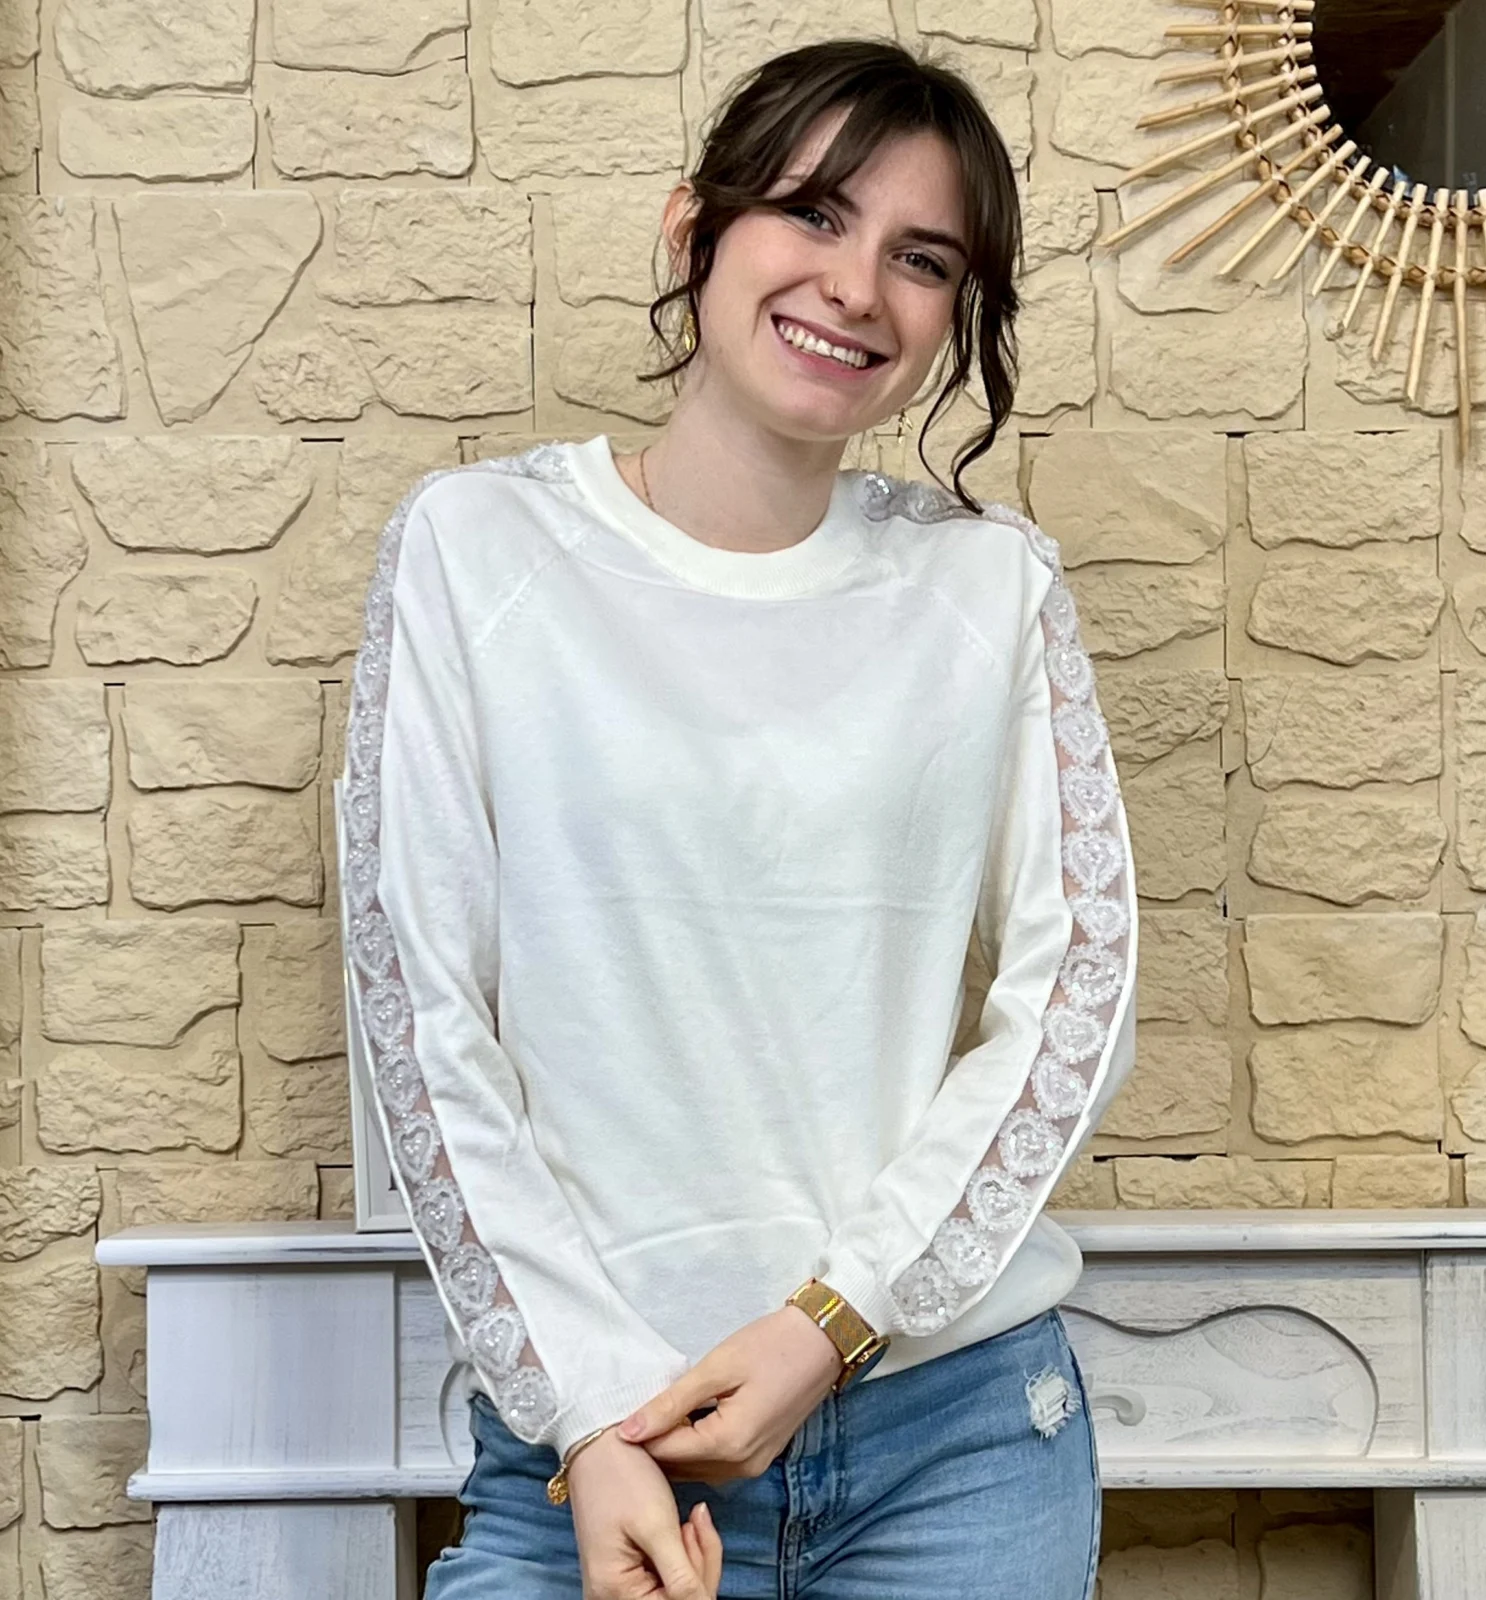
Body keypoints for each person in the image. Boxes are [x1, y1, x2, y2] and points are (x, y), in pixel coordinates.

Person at [338, 37, 1136, 1600]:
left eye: (922, 259)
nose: (858, 287)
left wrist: (832, 1322)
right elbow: (422, 1017)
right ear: (692, 225)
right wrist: (585, 1414)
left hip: (953, 1438)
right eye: (814, 214)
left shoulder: (991, 589)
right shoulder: (475, 551)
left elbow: (1078, 992)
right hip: (595, 1441)